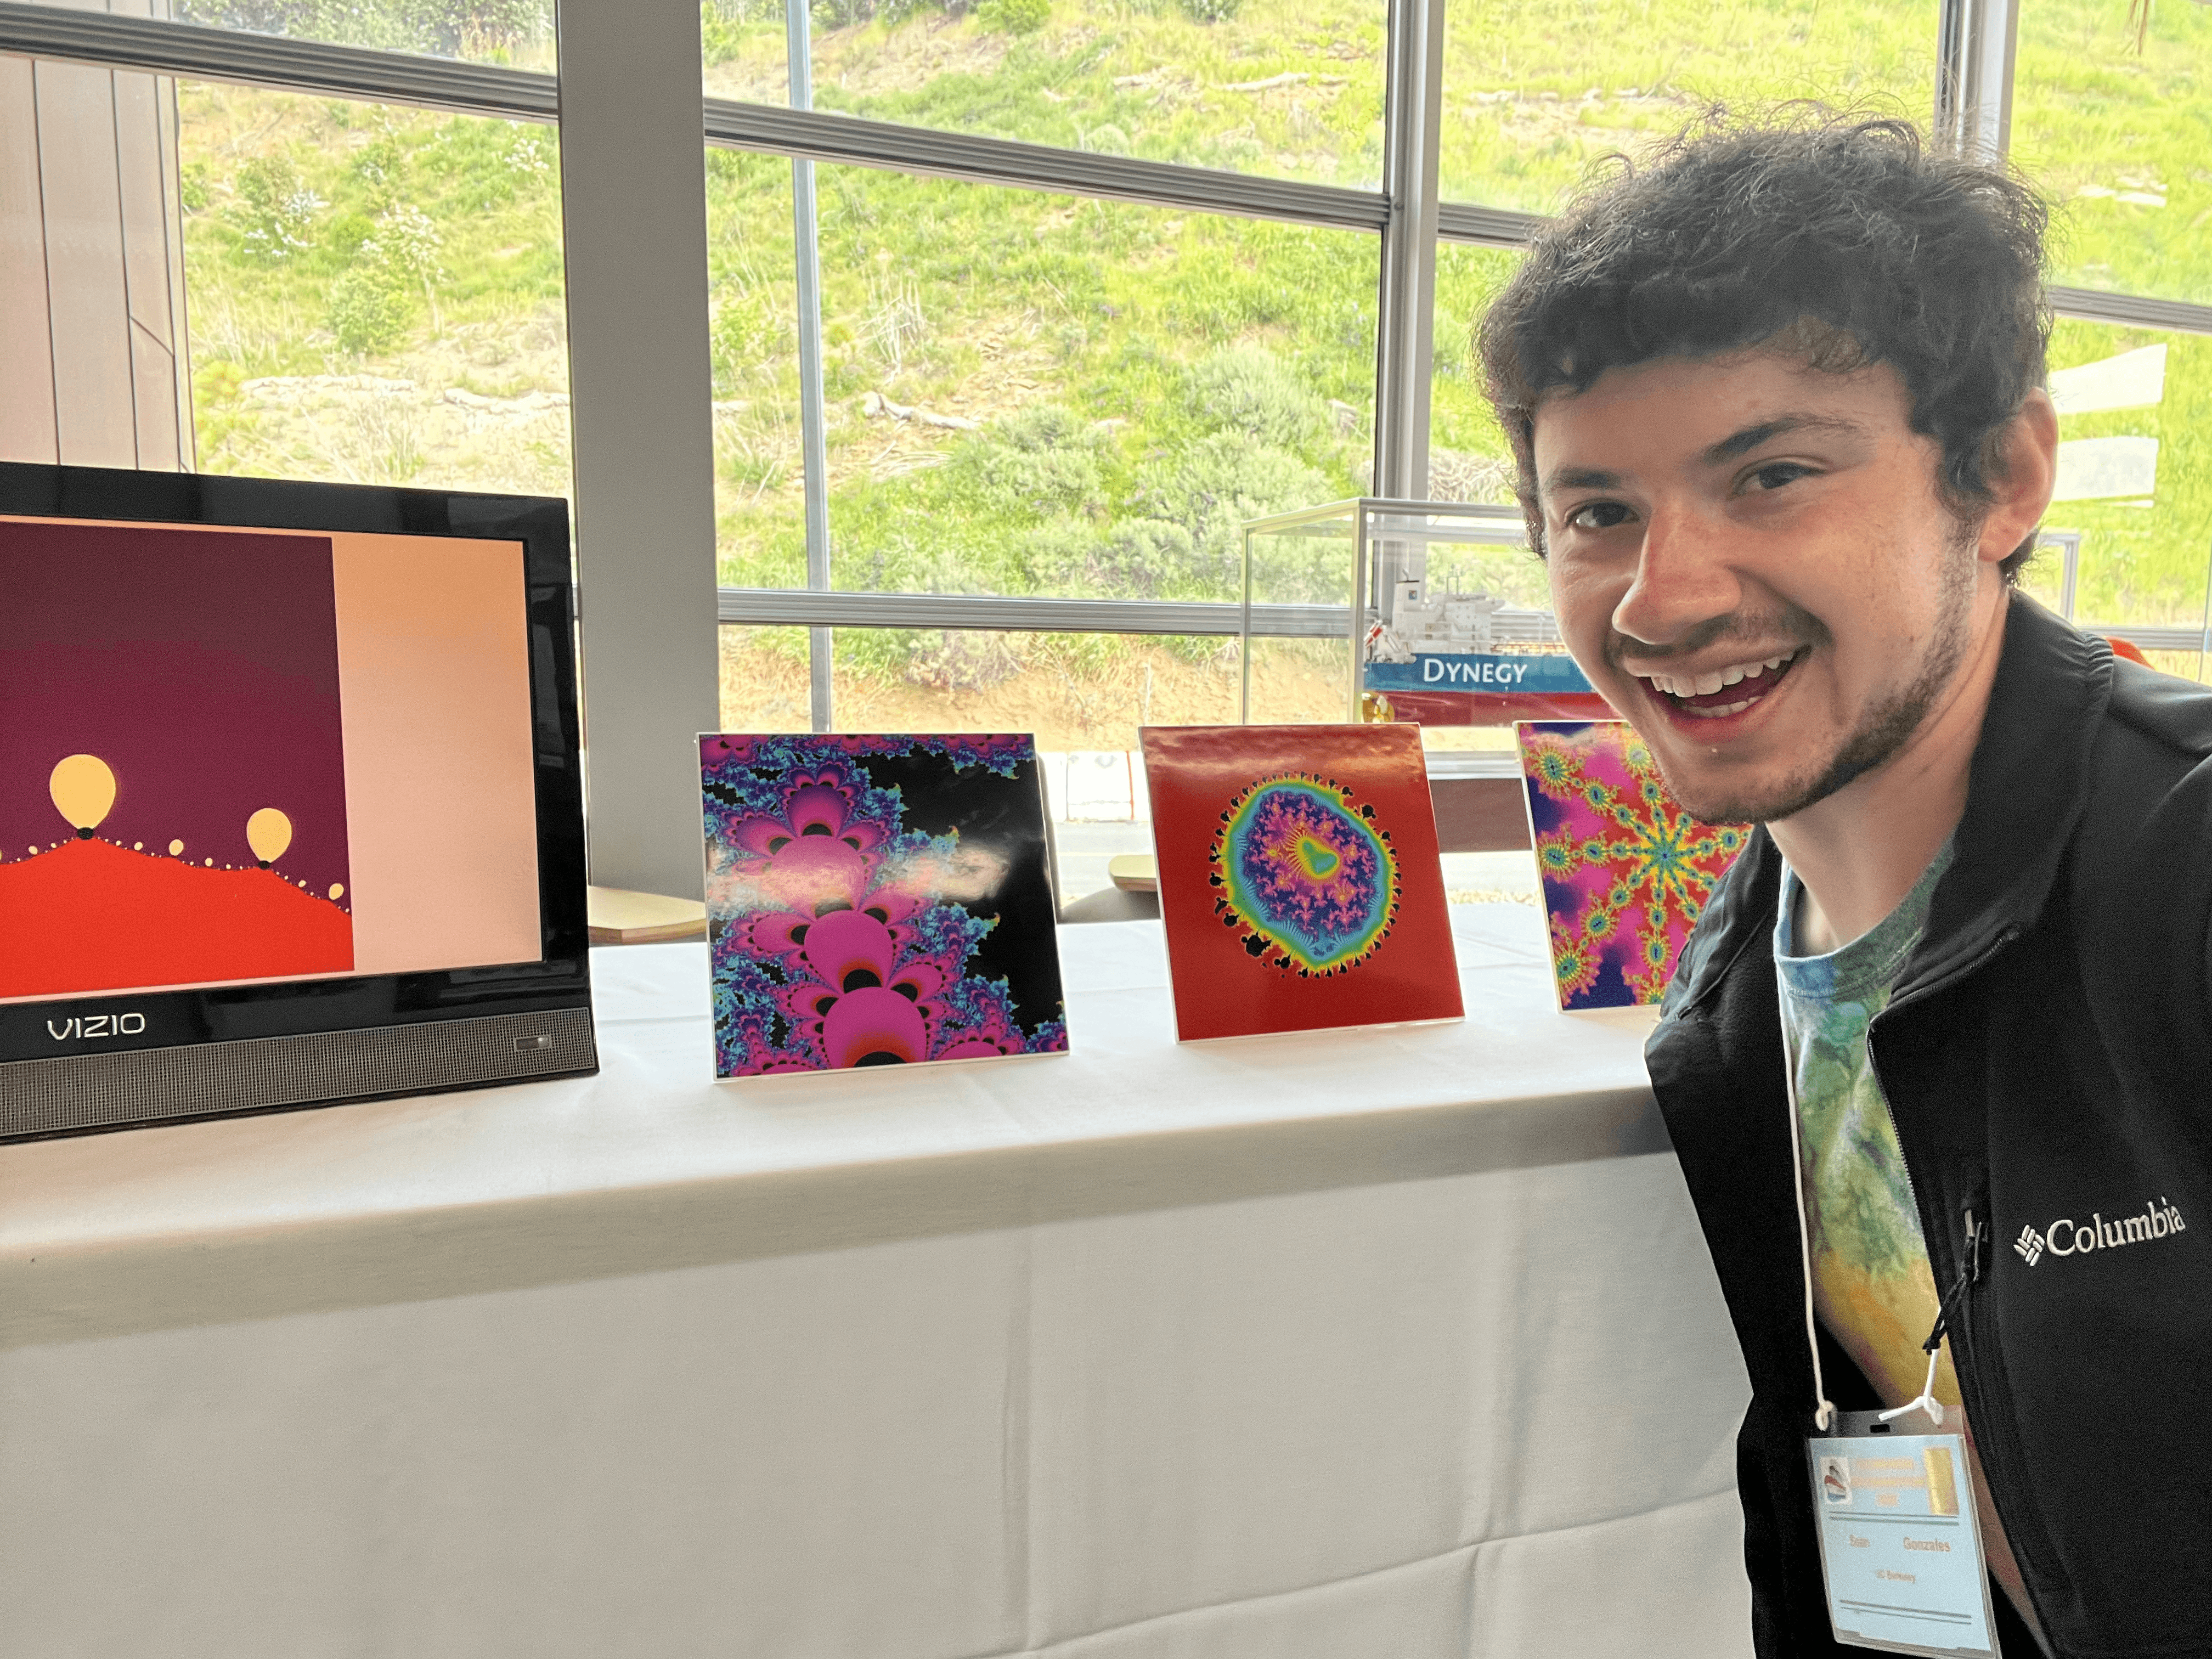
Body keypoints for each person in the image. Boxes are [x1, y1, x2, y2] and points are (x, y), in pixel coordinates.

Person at [1478, 115, 2212, 1657]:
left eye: (1774, 477)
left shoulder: (2185, 869)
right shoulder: (1744, 989)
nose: (1661, 596)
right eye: (1597, 510)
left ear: (2001, 478)